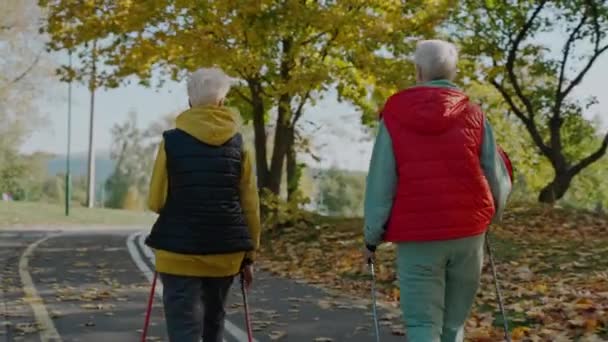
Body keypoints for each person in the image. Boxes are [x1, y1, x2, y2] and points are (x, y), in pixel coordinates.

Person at [363, 40, 512, 342]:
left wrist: (372, 235)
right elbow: (495, 173)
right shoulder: (474, 114)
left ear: (418, 71)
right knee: (453, 325)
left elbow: (381, 180)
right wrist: (494, 212)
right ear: (453, 73)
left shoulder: (394, 115)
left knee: (422, 325)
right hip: (468, 232)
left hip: (418, 236)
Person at [145, 67, 261, 342]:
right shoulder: (239, 144)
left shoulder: (171, 141)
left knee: (183, 329)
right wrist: (250, 255)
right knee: (214, 324)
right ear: (222, 102)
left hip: (177, 254)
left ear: (189, 101)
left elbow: (155, 200)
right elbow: (250, 204)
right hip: (225, 253)